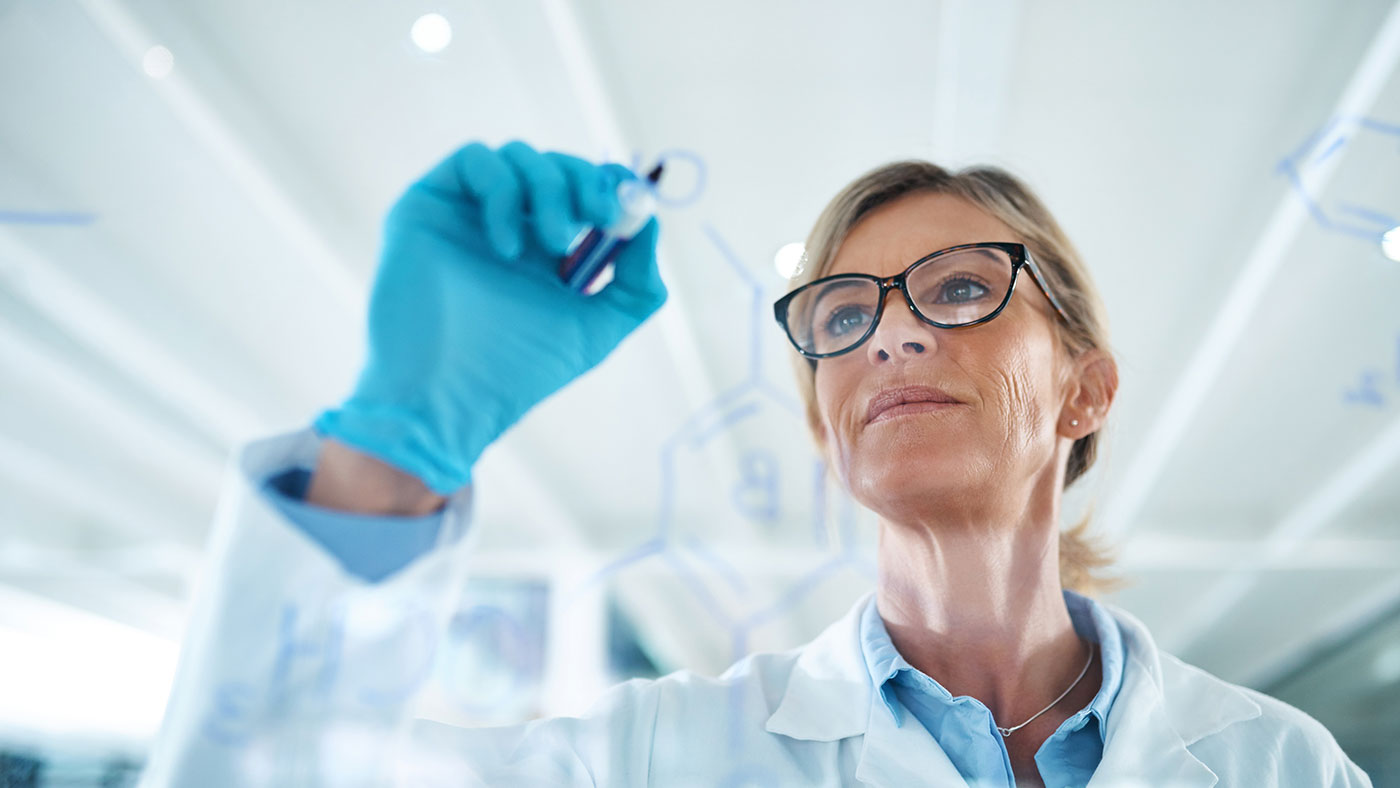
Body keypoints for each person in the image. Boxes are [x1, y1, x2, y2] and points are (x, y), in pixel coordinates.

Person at [140, 141, 1372, 787]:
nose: (889, 328)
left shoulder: (1278, 765)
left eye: (956, 289)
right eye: (841, 315)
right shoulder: (655, 757)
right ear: (828, 423)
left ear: (1086, 387)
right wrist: (391, 446)